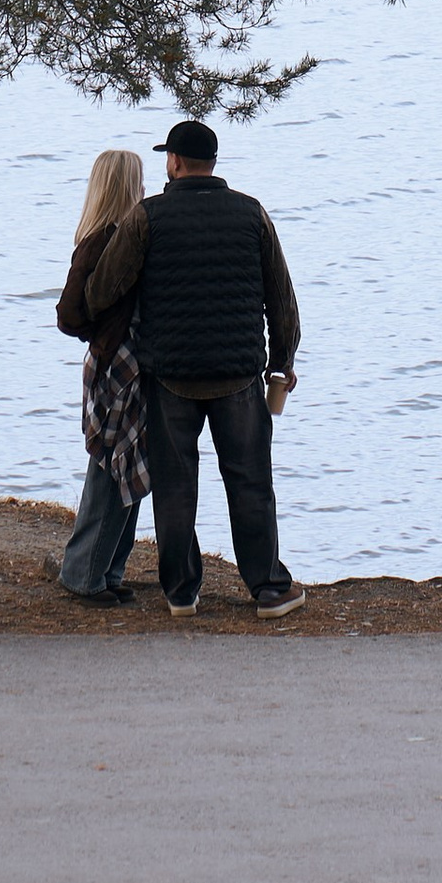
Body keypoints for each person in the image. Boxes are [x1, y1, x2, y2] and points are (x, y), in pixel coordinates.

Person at [85, 118, 302, 618]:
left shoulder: (147, 217)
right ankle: (268, 588)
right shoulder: (252, 214)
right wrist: (282, 360)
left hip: (170, 377)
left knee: (176, 485)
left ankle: (181, 592)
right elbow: (281, 298)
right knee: (249, 481)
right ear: (213, 163)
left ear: (175, 162)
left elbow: (102, 292)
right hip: (240, 376)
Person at [53, 146, 150, 605]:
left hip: (125, 364)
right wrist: (108, 329)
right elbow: (69, 315)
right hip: (116, 366)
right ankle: (84, 573)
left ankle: (108, 568)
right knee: (111, 468)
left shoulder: (113, 236)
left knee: (127, 466)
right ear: (126, 186)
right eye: (140, 179)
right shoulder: (103, 240)